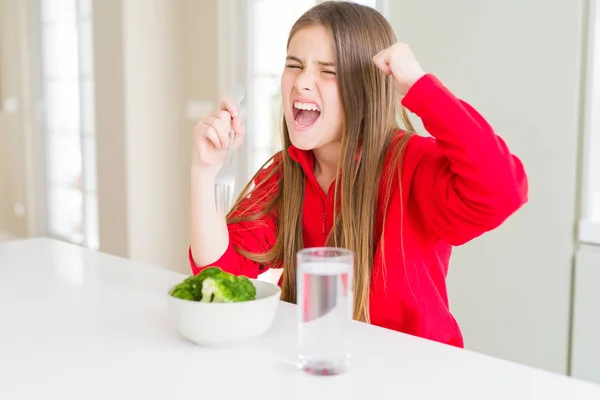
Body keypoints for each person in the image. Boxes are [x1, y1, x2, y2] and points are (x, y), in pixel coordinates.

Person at [188, 1, 528, 348]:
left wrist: (420, 87)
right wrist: (205, 170)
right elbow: (220, 275)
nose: (302, 82)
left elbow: (503, 190)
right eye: (294, 64)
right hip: (322, 368)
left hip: (415, 377)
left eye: (328, 71)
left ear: (363, 87)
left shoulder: (412, 165)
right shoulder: (286, 173)